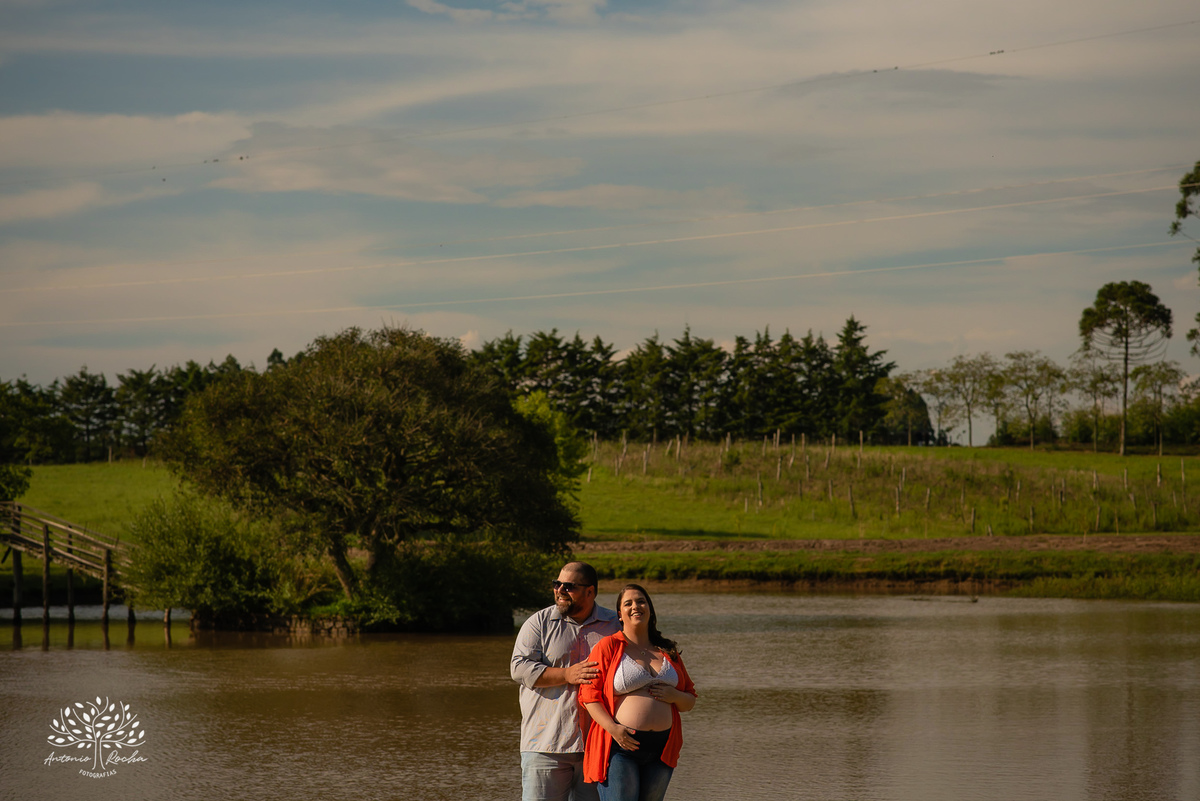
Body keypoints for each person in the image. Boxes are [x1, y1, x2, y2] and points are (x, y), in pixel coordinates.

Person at [512, 561, 621, 801]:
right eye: (556, 584)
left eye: (568, 586)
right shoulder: (538, 623)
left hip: (600, 746)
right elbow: (518, 669)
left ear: (590, 591)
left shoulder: (615, 625)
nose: (559, 590)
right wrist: (566, 674)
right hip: (545, 746)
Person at [580, 584, 697, 801]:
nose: (636, 606)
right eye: (628, 603)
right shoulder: (608, 646)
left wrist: (675, 697)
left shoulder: (668, 650)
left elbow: (689, 700)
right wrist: (613, 728)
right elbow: (589, 696)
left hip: (662, 750)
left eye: (641, 601)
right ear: (620, 615)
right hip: (619, 747)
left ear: (650, 609)